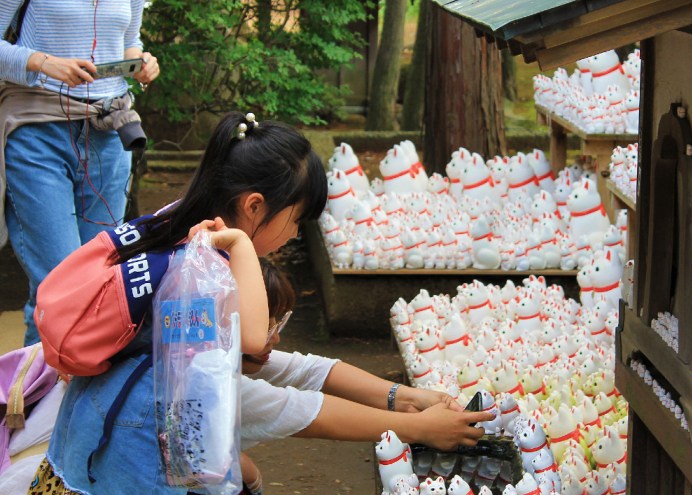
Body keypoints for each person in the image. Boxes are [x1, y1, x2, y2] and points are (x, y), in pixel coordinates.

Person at [27, 113, 487, 495]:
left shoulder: (184, 225)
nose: (292, 234)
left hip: (89, 444)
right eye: (295, 219)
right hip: (118, 469)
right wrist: (417, 428)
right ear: (253, 206)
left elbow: (283, 364)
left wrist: (401, 397)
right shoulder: (202, 273)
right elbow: (273, 384)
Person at [0, 0, 160, 346]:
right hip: (38, 133)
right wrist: (42, 62)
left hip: (109, 134)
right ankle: (36, 405)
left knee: (100, 281)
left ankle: (72, 401)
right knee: (61, 285)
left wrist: (139, 60)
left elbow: (129, 40)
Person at [234, 260, 490, 495]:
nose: (276, 338)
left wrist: (406, 396)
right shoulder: (217, 386)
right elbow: (304, 412)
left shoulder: (227, 353)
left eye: (277, 324)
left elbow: (310, 370)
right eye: (265, 327)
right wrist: (420, 427)